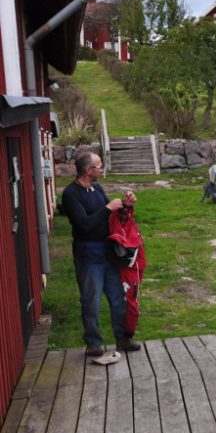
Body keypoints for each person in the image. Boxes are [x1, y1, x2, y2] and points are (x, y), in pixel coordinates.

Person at [61, 152, 141, 356]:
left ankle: (122, 339)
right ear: (88, 171)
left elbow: (112, 217)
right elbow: (84, 225)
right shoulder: (71, 194)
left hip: (108, 252)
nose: (102, 168)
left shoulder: (97, 188)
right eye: (99, 165)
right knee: (91, 300)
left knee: (117, 298)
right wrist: (107, 208)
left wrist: (126, 205)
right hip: (88, 254)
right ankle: (93, 343)